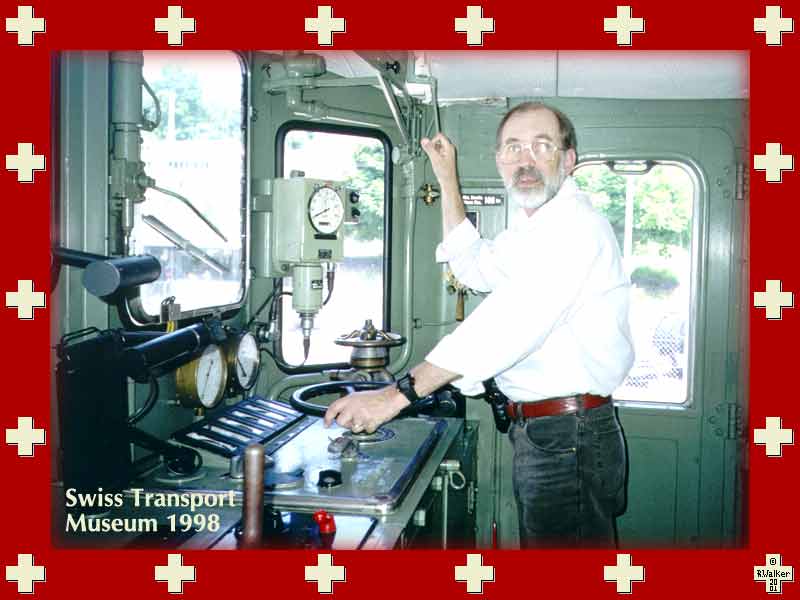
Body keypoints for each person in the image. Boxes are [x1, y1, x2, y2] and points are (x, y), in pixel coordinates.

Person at [324, 101, 635, 548]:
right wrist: (447, 175)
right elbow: (473, 264)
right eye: (512, 148)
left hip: (570, 437)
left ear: (568, 161)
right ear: (499, 160)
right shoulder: (534, 233)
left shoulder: (575, 229)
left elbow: (504, 325)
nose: (524, 160)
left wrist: (397, 396)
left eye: (541, 145)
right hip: (551, 434)